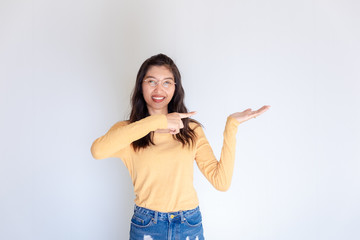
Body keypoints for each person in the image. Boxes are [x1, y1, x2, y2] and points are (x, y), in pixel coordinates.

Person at [90, 53, 270, 240]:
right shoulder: (129, 131)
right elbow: (97, 151)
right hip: (147, 225)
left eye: (167, 82)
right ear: (141, 85)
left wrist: (231, 126)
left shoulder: (191, 129)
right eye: (151, 81)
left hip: (188, 223)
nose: (159, 89)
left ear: (175, 88)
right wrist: (157, 121)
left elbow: (221, 182)